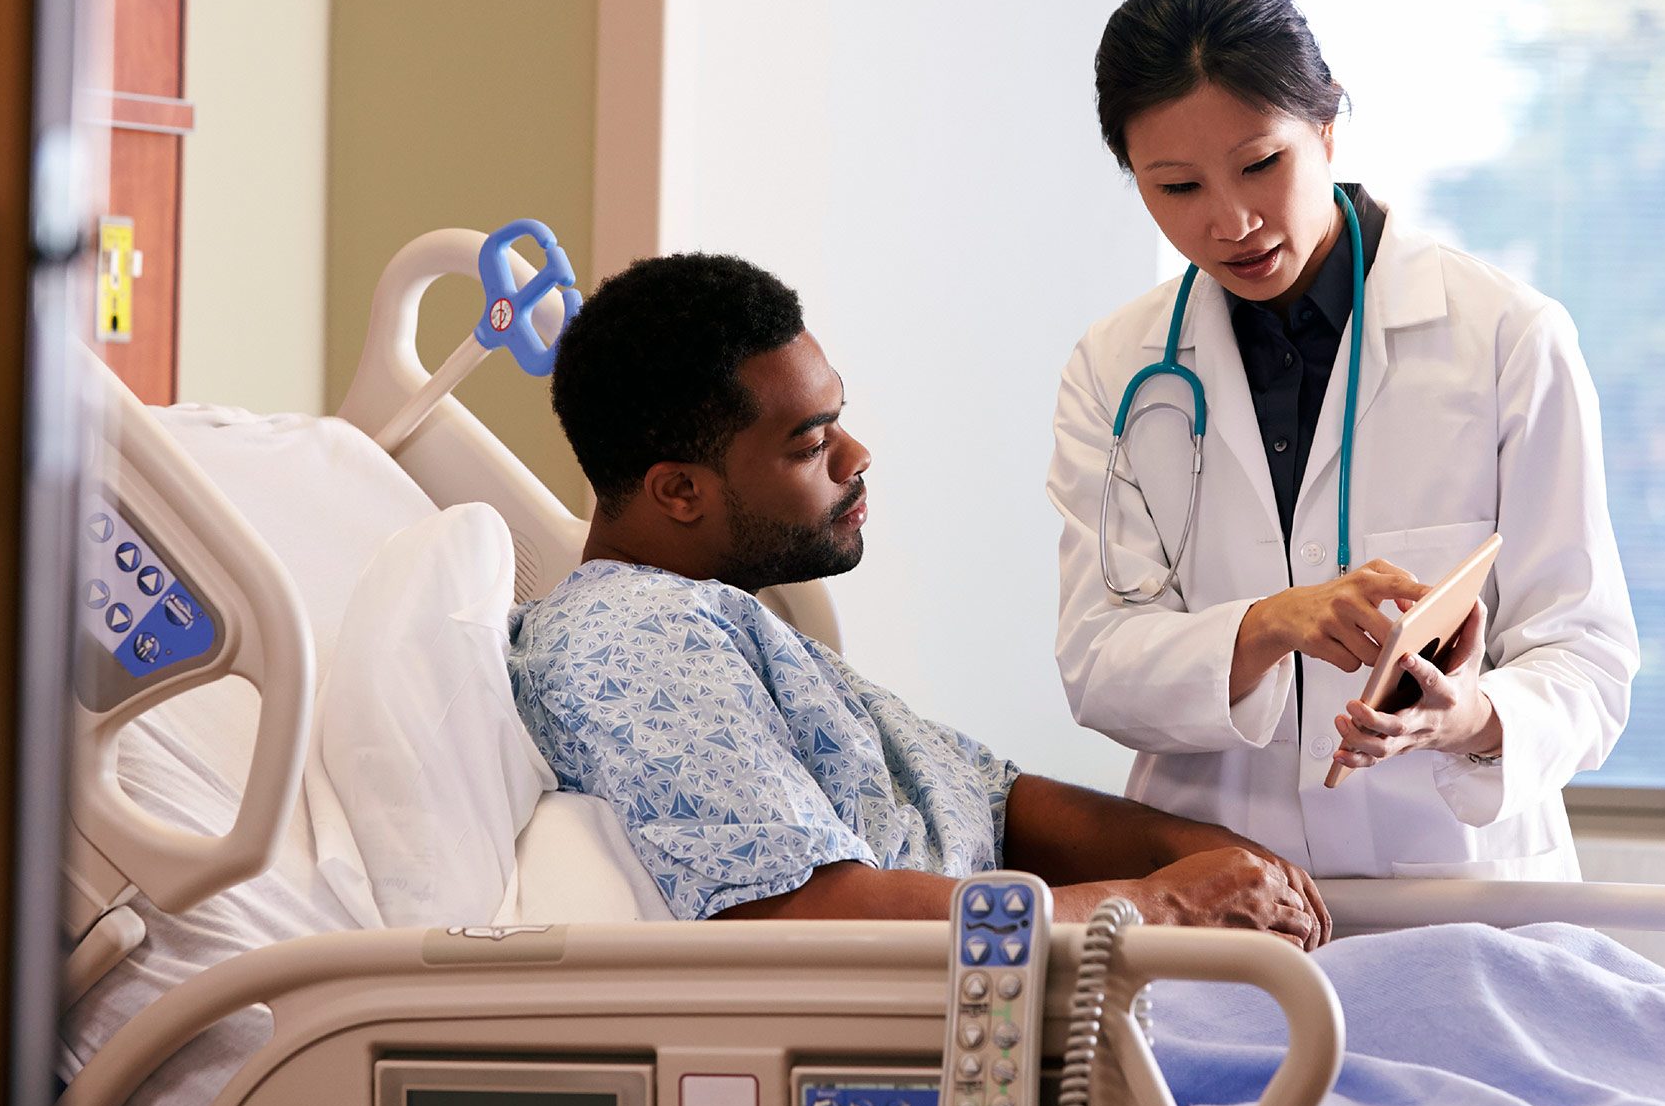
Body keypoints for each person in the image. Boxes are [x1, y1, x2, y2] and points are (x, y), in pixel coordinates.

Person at [508, 251, 1333, 946]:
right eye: (811, 443)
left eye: (841, 418)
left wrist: (1209, 852)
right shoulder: (636, 642)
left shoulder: (726, 621)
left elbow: (993, 802)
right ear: (679, 490)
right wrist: (1166, 904)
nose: (856, 455)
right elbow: (810, 916)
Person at [1048, 0, 1637, 881]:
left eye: (1259, 165)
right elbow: (1098, 662)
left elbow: (1587, 655)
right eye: (1177, 188)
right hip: (1226, 898)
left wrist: (1471, 718)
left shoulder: (1506, 340)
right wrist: (1270, 624)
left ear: (1326, 124)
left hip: (1456, 895)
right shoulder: (1116, 369)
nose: (1231, 221)